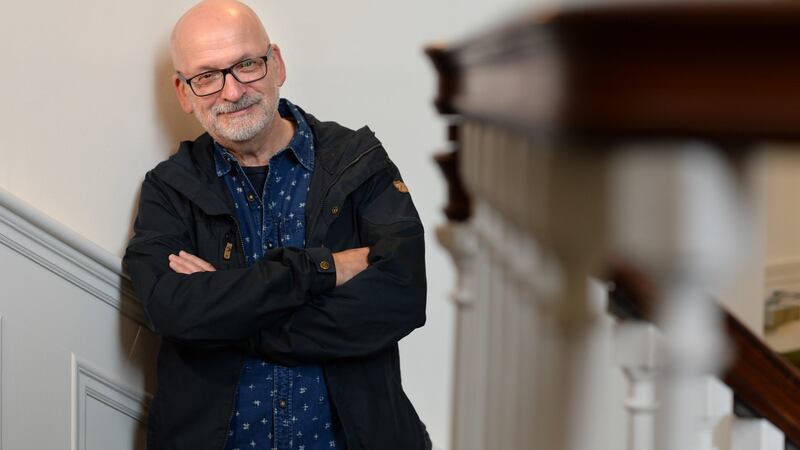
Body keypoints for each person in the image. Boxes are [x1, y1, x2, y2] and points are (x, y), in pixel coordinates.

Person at [123, 1, 430, 449]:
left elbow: (401, 295)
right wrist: (321, 270)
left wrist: (232, 316)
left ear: (277, 64)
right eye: (206, 76)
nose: (231, 92)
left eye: (246, 64)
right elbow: (171, 309)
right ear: (184, 92)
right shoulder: (170, 189)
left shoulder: (358, 162)